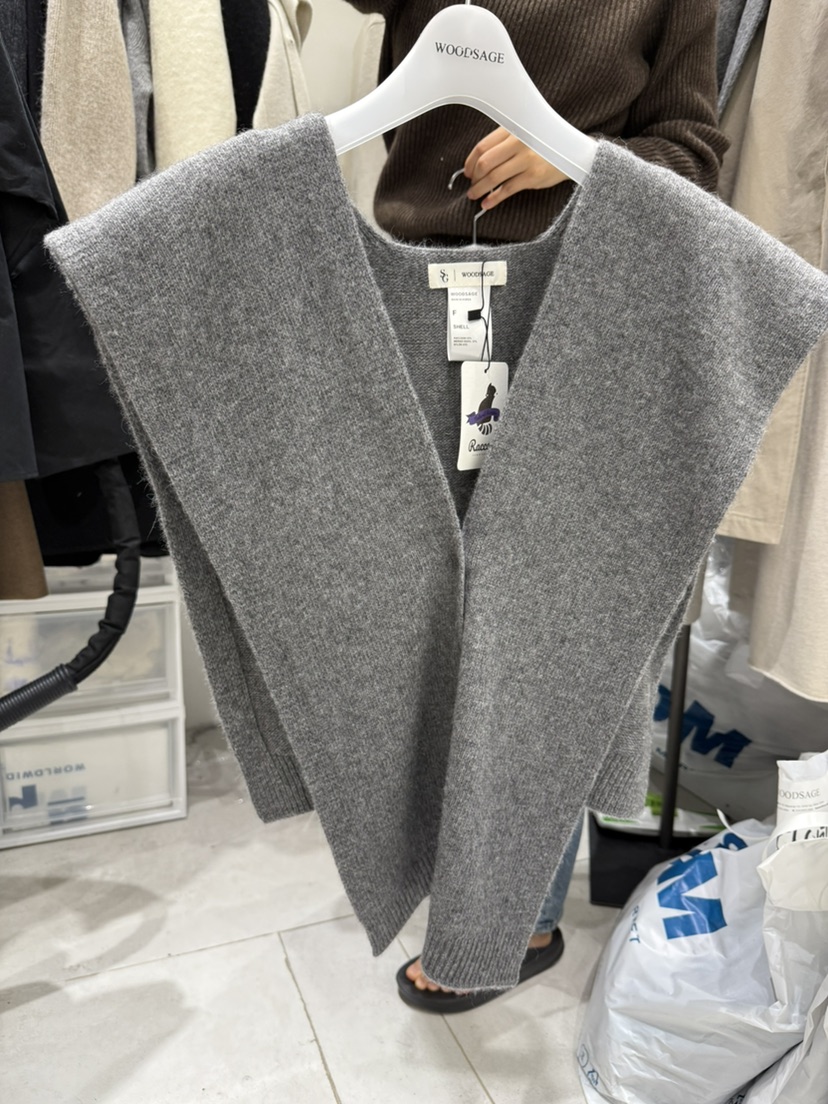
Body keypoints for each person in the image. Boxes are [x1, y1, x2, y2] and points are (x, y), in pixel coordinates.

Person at [344, 0, 728, 1009]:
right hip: (415, 294)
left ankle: (517, 916)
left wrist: (574, 156)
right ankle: (449, 869)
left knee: (550, 638)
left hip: (577, 305)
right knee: (415, 625)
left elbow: (692, 153)